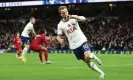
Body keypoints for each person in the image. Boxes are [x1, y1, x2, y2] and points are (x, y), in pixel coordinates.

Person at [57, 6, 105, 79]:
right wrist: (59, 39)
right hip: (73, 46)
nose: (65, 13)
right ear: (61, 14)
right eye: (63, 13)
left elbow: (84, 18)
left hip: (82, 40)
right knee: (87, 62)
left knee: (87, 55)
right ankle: (101, 72)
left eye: (66, 11)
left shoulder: (73, 18)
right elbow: (58, 36)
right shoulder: (60, 25)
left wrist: (73, 16)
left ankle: (94, 57)